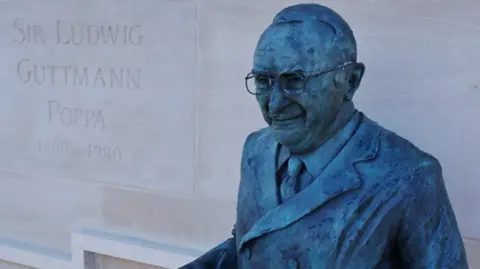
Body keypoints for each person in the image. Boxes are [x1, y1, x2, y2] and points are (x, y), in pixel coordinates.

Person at [180, 3, 468, 269]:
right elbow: (251, 248)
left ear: (350, 81)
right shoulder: (257, 149)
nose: (275, 103)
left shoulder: (410, 176)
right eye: (264, 82)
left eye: (295, 81)